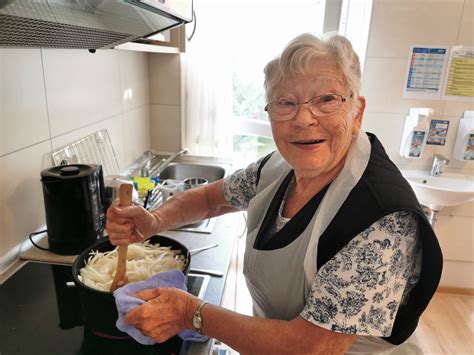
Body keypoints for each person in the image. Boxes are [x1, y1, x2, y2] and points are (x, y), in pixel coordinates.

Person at [106, 33, 443, 354]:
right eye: (286, 103)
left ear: (357, 111)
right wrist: (154, 220)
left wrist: (191, 313)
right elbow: (211, 198)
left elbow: (310, 349)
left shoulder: (382, 218)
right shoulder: (278, 167)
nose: (303, 119)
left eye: (327, 99)